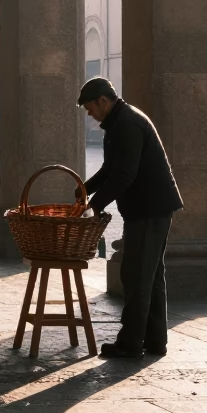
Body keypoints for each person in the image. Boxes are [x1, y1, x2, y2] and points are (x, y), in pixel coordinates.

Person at [78, 77, 183, 358]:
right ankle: (155, 340)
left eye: (90, 108)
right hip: (150, 207)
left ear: (103, 100)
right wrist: (83, 189)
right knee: (150, 275)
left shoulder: (126, 124)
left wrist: (94, 206)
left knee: (136, 275)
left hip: (149, 208)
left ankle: (131, 342)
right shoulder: (119, 122)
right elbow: (110, 169)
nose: (90, 114)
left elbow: (125, 174)